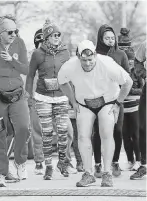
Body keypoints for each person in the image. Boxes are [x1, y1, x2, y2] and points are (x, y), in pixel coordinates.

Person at [58, 40, 133, 187]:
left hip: (108, 101)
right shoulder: (70, 66)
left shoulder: (107, 64)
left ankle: (107, 173)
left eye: (90, 60)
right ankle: (88, 173)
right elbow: (61, 81)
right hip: (84, 103)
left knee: (106, 133)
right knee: (82, 135)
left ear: (96, 56)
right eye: (84, 60)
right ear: (78, 57)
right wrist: (72, 100)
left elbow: (128, 82)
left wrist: (118, 103)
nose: (87, 63)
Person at [0, 15, 30, 187]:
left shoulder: (20, 43)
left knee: (24, 127)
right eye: (10, 32)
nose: (14, 34)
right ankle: (1, 173)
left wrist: (12, 61)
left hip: (17, 94)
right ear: (0, 32)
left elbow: (26, 68)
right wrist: (14, 69)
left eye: (16, 31)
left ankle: (20, 161)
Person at [27, 28, 78, 175]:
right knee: (46, 133)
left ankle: (63, 163)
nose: (56, 37)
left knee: (64, 132)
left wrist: (73, 98)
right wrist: (28, 95)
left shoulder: (65, 53)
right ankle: (47, 165)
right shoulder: (37, 54)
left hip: (61, 97)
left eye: (58, 35)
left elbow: (70, 76)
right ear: (46, 37)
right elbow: (30, 76)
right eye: (53, 35)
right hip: (43, 97)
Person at [93, 24, 130, 178]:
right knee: (99, 132)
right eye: (106, 38)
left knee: (118, 130)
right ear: (101, 39)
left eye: (112, 38)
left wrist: (120, 96)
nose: (110, 41)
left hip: (116, 99)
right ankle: (98, 164)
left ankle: (115, 162)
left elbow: (127, 77)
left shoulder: (120, 54)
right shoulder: (94, 55)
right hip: (98, 99)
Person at [118, 28, 143, 171]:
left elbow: (142, 89)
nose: (129, 63)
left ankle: (139, 160)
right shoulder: (119, 71)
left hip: (135, 106)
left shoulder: (137, 73)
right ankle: (129, 160)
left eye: (131, 61)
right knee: (125, 135)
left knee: (135, 134)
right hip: (122, 105)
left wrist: (130, 89)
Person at [130, 40, 146, 180]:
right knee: (142, 127)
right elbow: (137, 62)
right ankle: (144, 165)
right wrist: (144, 75)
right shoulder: (145, 44)